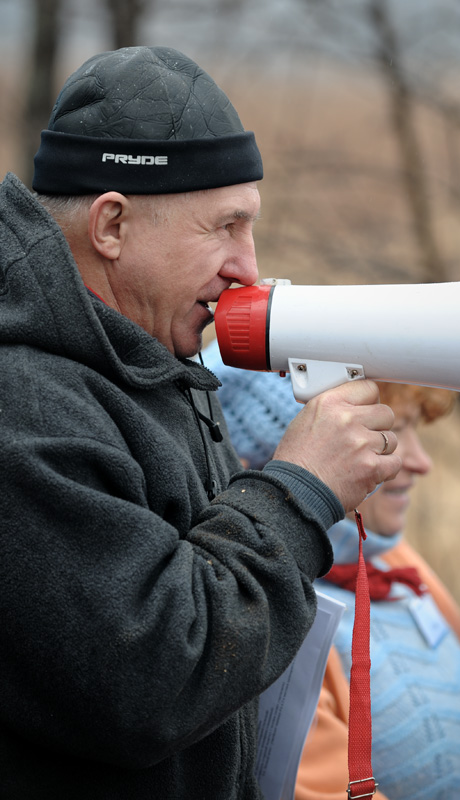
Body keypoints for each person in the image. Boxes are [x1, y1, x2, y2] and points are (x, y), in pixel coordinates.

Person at [0, 46, 403, 800]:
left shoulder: (146, 360)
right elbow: (150, 676)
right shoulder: (22, 406)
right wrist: (297, 494)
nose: (247, 268)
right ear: (112, 225)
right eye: (223, 228)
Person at [202, 340, 460, 800]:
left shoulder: (392, 560)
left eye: (416, 430)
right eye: (389, 434)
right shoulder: (266, 605)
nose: (421, 462)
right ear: (311, 451)